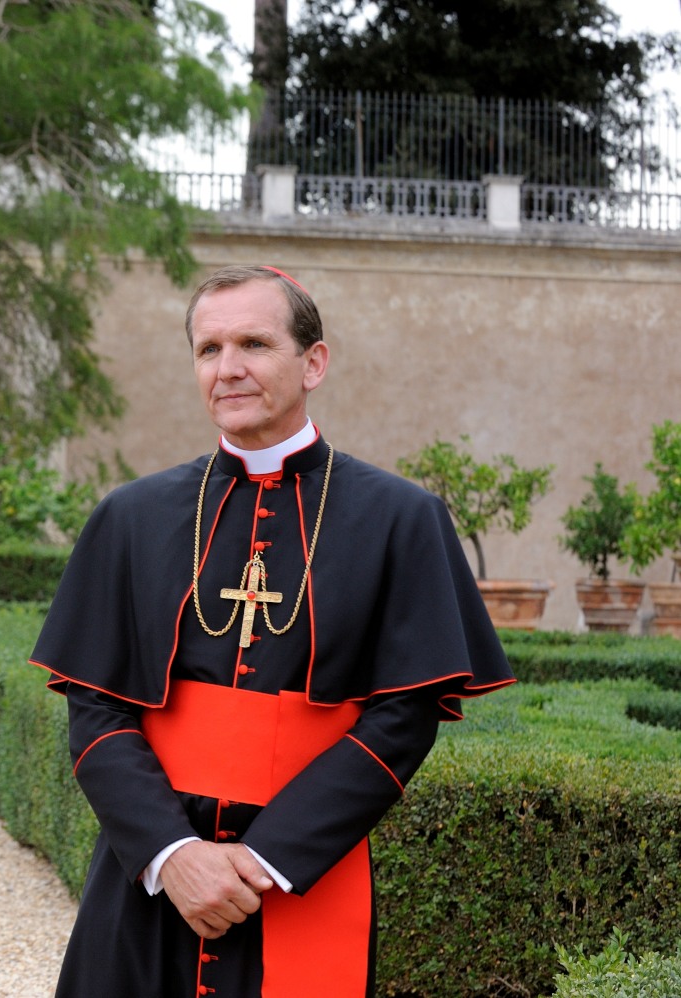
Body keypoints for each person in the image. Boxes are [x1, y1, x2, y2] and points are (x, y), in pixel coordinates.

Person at [30, 265, 514, 997]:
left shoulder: (398, 519)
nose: (228, 369)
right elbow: (95, 710)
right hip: (151, 878)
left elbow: (404, 717)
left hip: (303, 873)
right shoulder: (132, 517)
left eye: (254, 343)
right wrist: (174, 854)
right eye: (208, 349)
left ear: (313, 362)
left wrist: (264, 861)